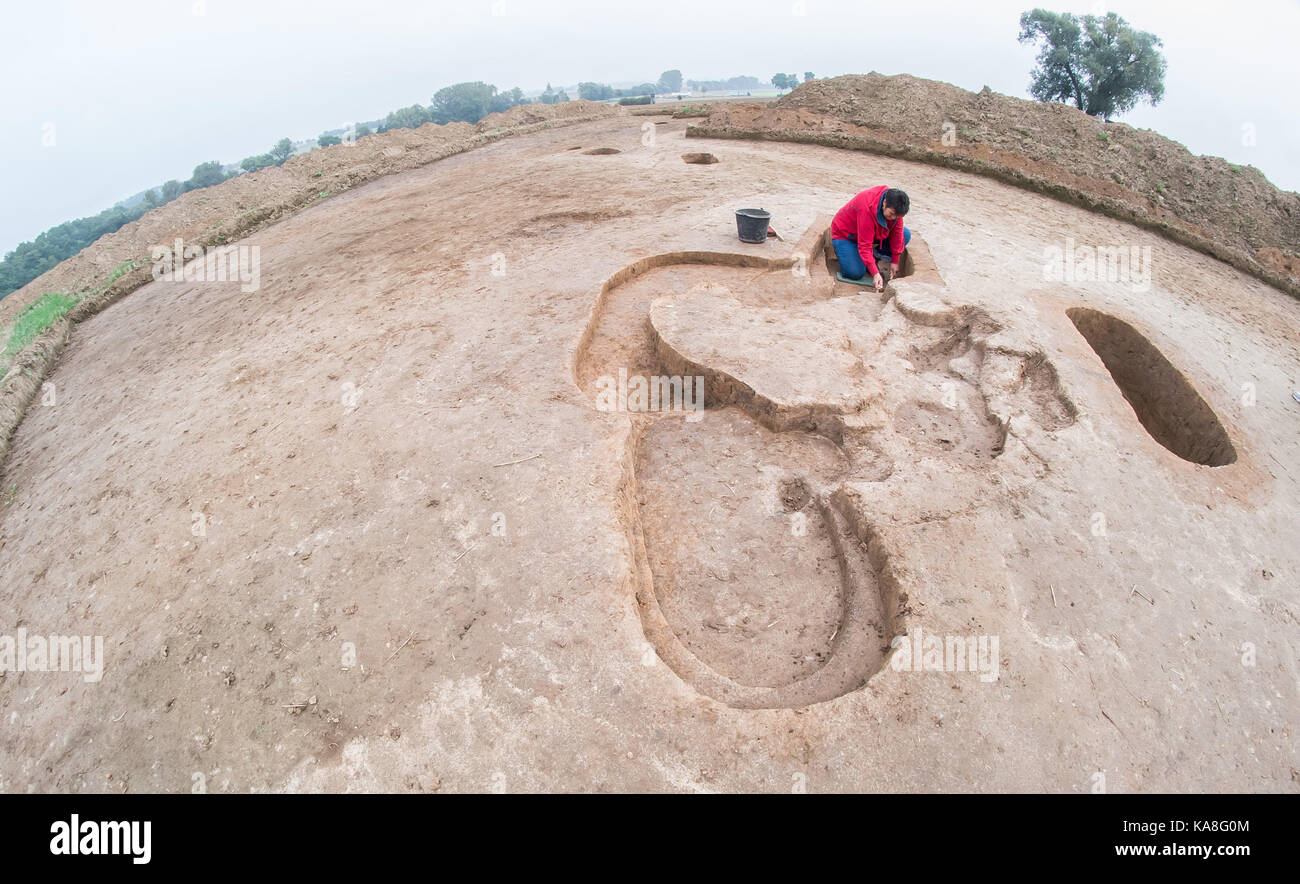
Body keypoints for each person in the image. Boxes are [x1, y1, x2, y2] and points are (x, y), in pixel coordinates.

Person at [831, 186, 911, 291]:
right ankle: (859, 258)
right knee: (855, 272)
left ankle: (875, 257)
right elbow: (864, 245)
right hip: (846, 235)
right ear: (885, 202)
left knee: (905, 234)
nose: (893, 218)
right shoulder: (866, 207)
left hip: (870, 233)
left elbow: (897, 233)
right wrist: (875, 273)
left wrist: (895, 260)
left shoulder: (895, 208)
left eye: (897, 216)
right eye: (891, 214)